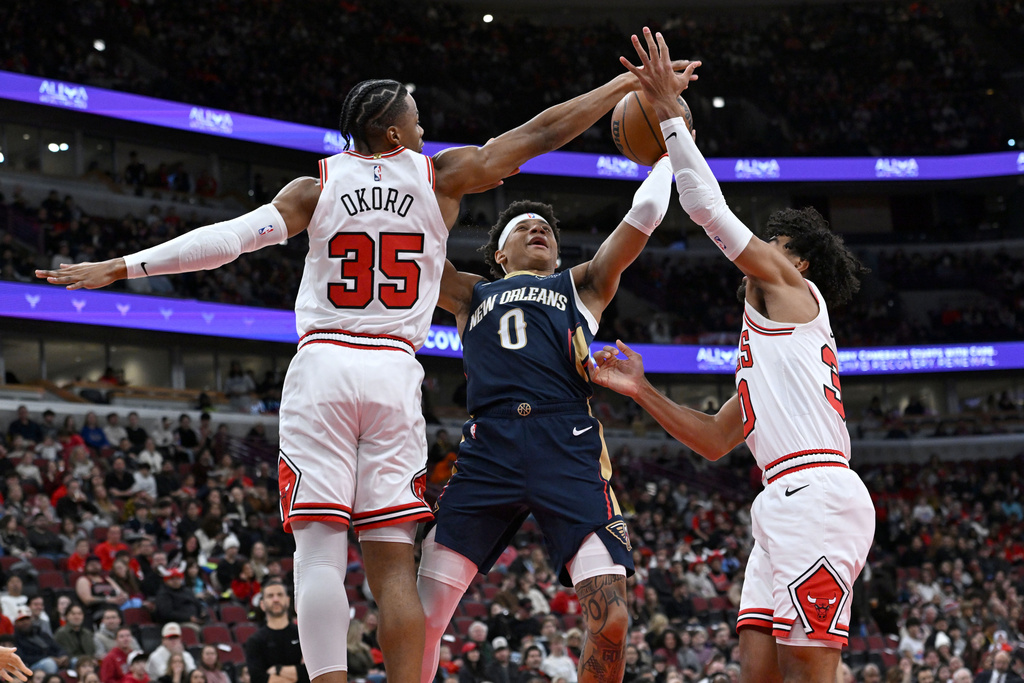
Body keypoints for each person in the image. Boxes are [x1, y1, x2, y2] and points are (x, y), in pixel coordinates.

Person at [37, 57, 699, 683]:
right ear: (391, 130)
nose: (421, 129)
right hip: (393, 373)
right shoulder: (439, 178)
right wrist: (619, 90)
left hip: (325, 364)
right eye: (414, 119)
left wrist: (124, 267)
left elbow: (230, 240)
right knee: (393, 567)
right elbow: (535, 136)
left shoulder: (315, 184)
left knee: (320, 549)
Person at [590, 28, 875, 683]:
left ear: (797, 260)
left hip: (818, 493)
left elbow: (707, 209)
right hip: (781, 498)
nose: (760, 252)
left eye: (773, 244)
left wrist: (667, 116)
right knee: (759, 670)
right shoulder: (768, 356)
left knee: (810, 671)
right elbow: (718, 439)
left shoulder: (793, 289)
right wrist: (643, 391)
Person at [418, 152, 681, 682]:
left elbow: (643, 218)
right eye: (523, 227)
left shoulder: (580, 285)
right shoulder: (473, 293)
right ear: (499, 252)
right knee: (424, 618)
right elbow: (414, 247)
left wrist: (669, 158)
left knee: (613, 619)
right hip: (489, 447)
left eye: (546, 228)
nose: (538, 228)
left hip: (567, 442)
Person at [244, 580, 308, 683]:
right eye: (270, 596)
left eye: (280, 594)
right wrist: (296, 673)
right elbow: (258, 678)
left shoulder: (303, 635)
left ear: (288, 600)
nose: (275, 599)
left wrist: (278, 670)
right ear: (262, 604)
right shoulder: (254, 641)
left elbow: (310, 673)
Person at [13, 606, 68, 675]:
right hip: (32, 667)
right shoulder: (15, 639)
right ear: (15, 623)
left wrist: (63, 656)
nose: (25, 622)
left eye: (27, 619)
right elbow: (23, 658)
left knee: (74, 661)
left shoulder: (41, 634)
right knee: (49, 663)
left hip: (54, 660)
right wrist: (48, 658)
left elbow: (57, 647)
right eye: (21, 620)